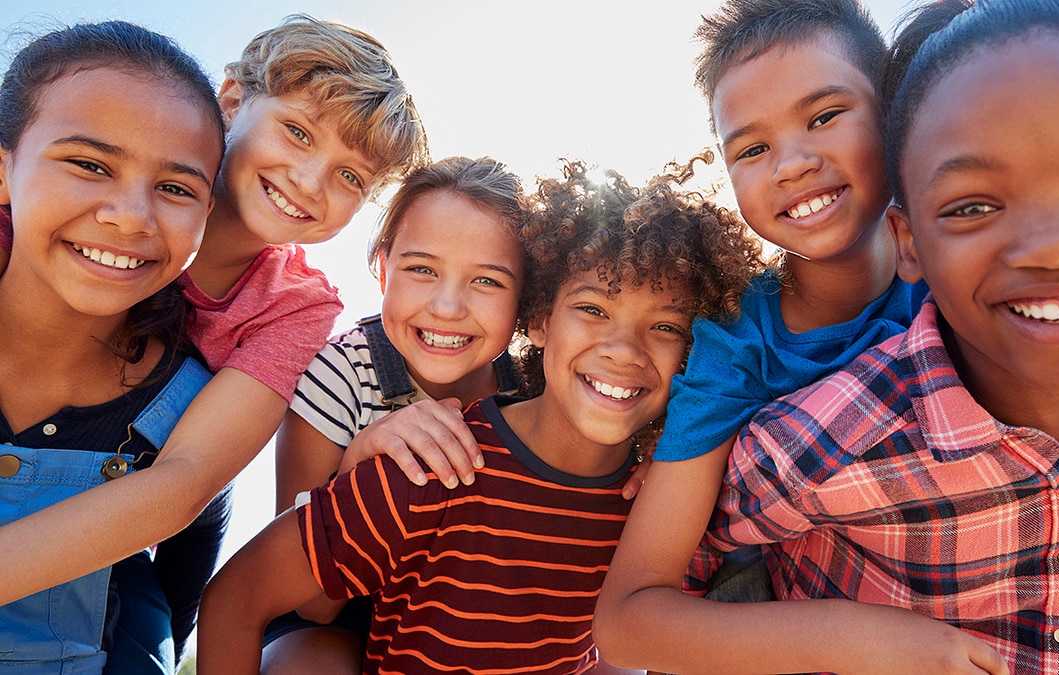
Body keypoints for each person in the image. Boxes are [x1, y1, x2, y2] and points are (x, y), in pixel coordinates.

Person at [597, 0, 1059, 672]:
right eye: (752, 147)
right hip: (806, 586)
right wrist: (850, 637)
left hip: (1016, 543)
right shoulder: (739, 353)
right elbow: (637, 604)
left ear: (897, 126)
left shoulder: (973, 257)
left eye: (824, 115)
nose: (791, 163)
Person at [197, 160, 759, 674]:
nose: (623, 349)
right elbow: (284, 601)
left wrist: (665, 455)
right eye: (591, 309)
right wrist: (360, 460)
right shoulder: (395, 431)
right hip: (333, 603)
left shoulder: (648, 491)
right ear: (540, 319)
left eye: (665, 327)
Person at [0, 14, 429, 665]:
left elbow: (188, 484)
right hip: (56, 444)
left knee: (158, 613)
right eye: (296, 131)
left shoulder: (294, 301)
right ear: (233, 101)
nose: (310, 181)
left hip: (156, 488)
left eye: (350, 177)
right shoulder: (69, 218)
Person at [0, 21, 224, 672]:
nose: (131, 215)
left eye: (176, 187)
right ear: (6, 170)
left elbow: (199, 525)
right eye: (91, 164)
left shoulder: (185, 405)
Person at [260, 156, 529, 674]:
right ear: (383, 269)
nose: (447, 306)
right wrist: (360, 460)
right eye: (422, 269)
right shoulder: (341, 374)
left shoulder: (536, 392)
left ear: (525, 298)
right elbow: (310, 601)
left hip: (473, 611)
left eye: (488, 281)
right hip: (338, 616)